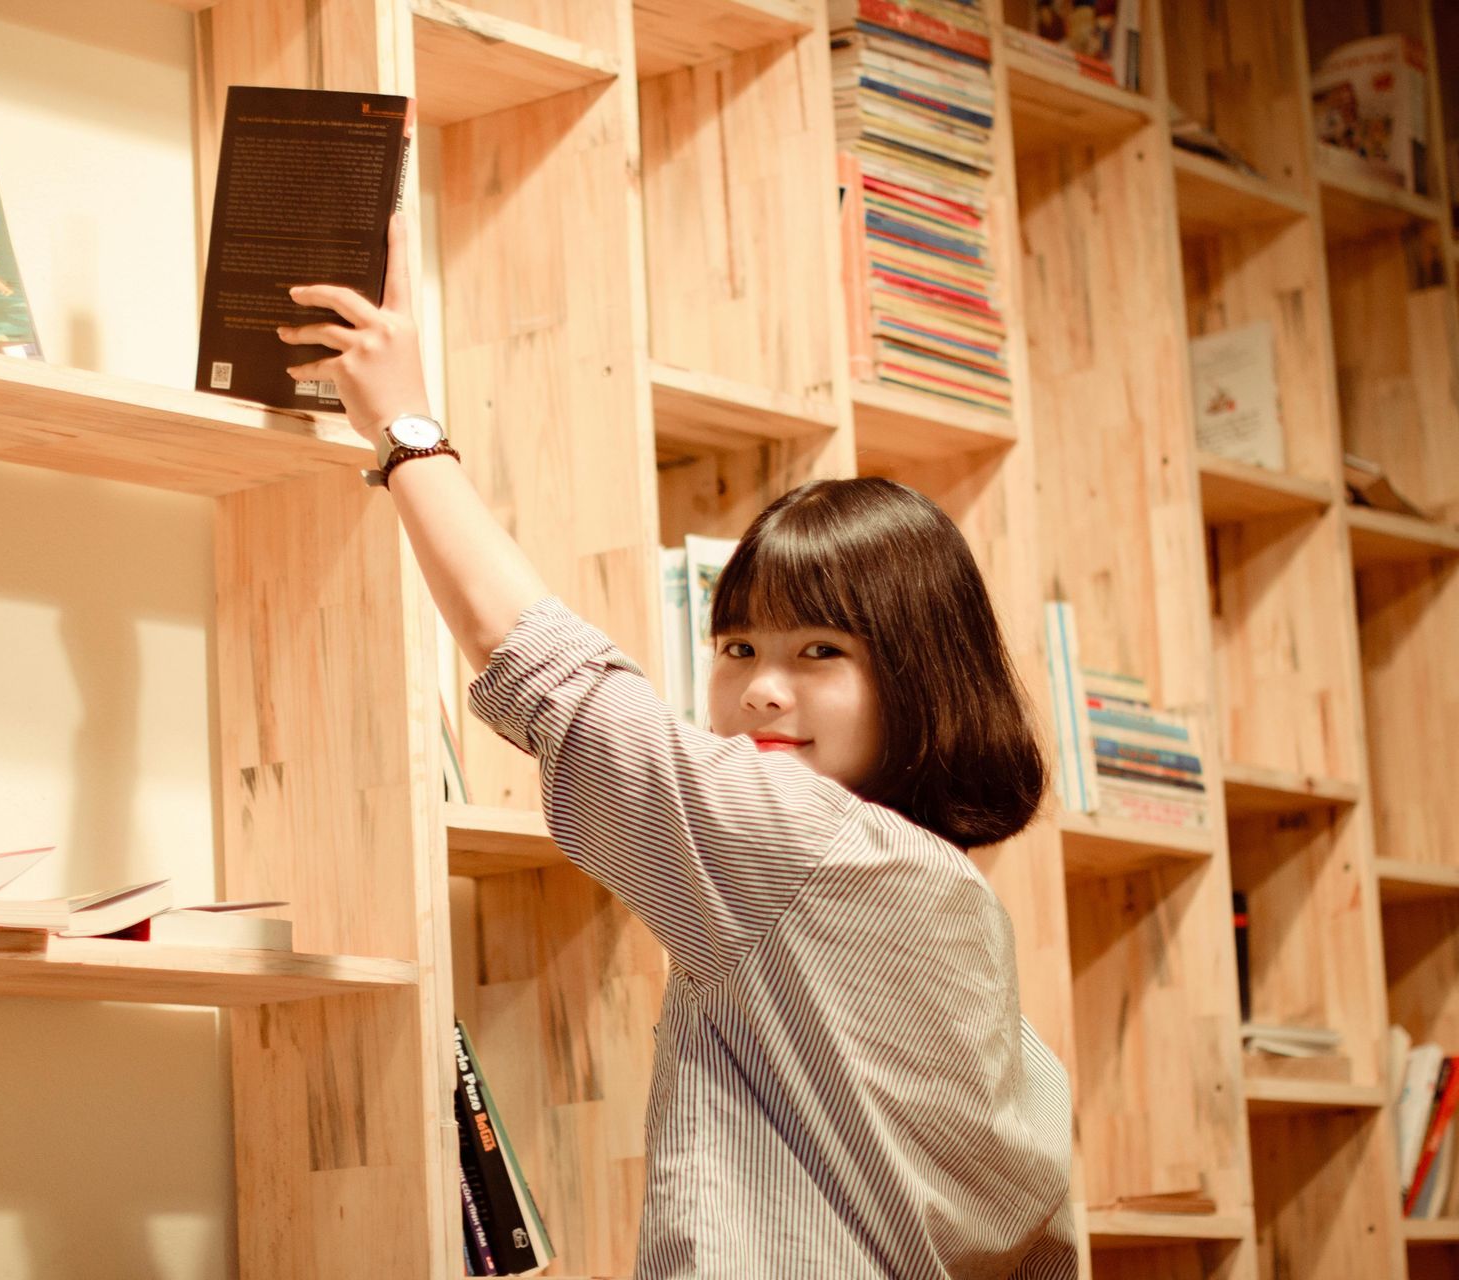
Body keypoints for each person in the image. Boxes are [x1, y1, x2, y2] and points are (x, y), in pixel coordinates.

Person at [275, 212, 1077, 1279]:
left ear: (921, 672)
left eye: (821, 650)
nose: (762, 689)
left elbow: (554, 679)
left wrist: (408, 431)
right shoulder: (948, 894)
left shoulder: (806, 844)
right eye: (738, 644)